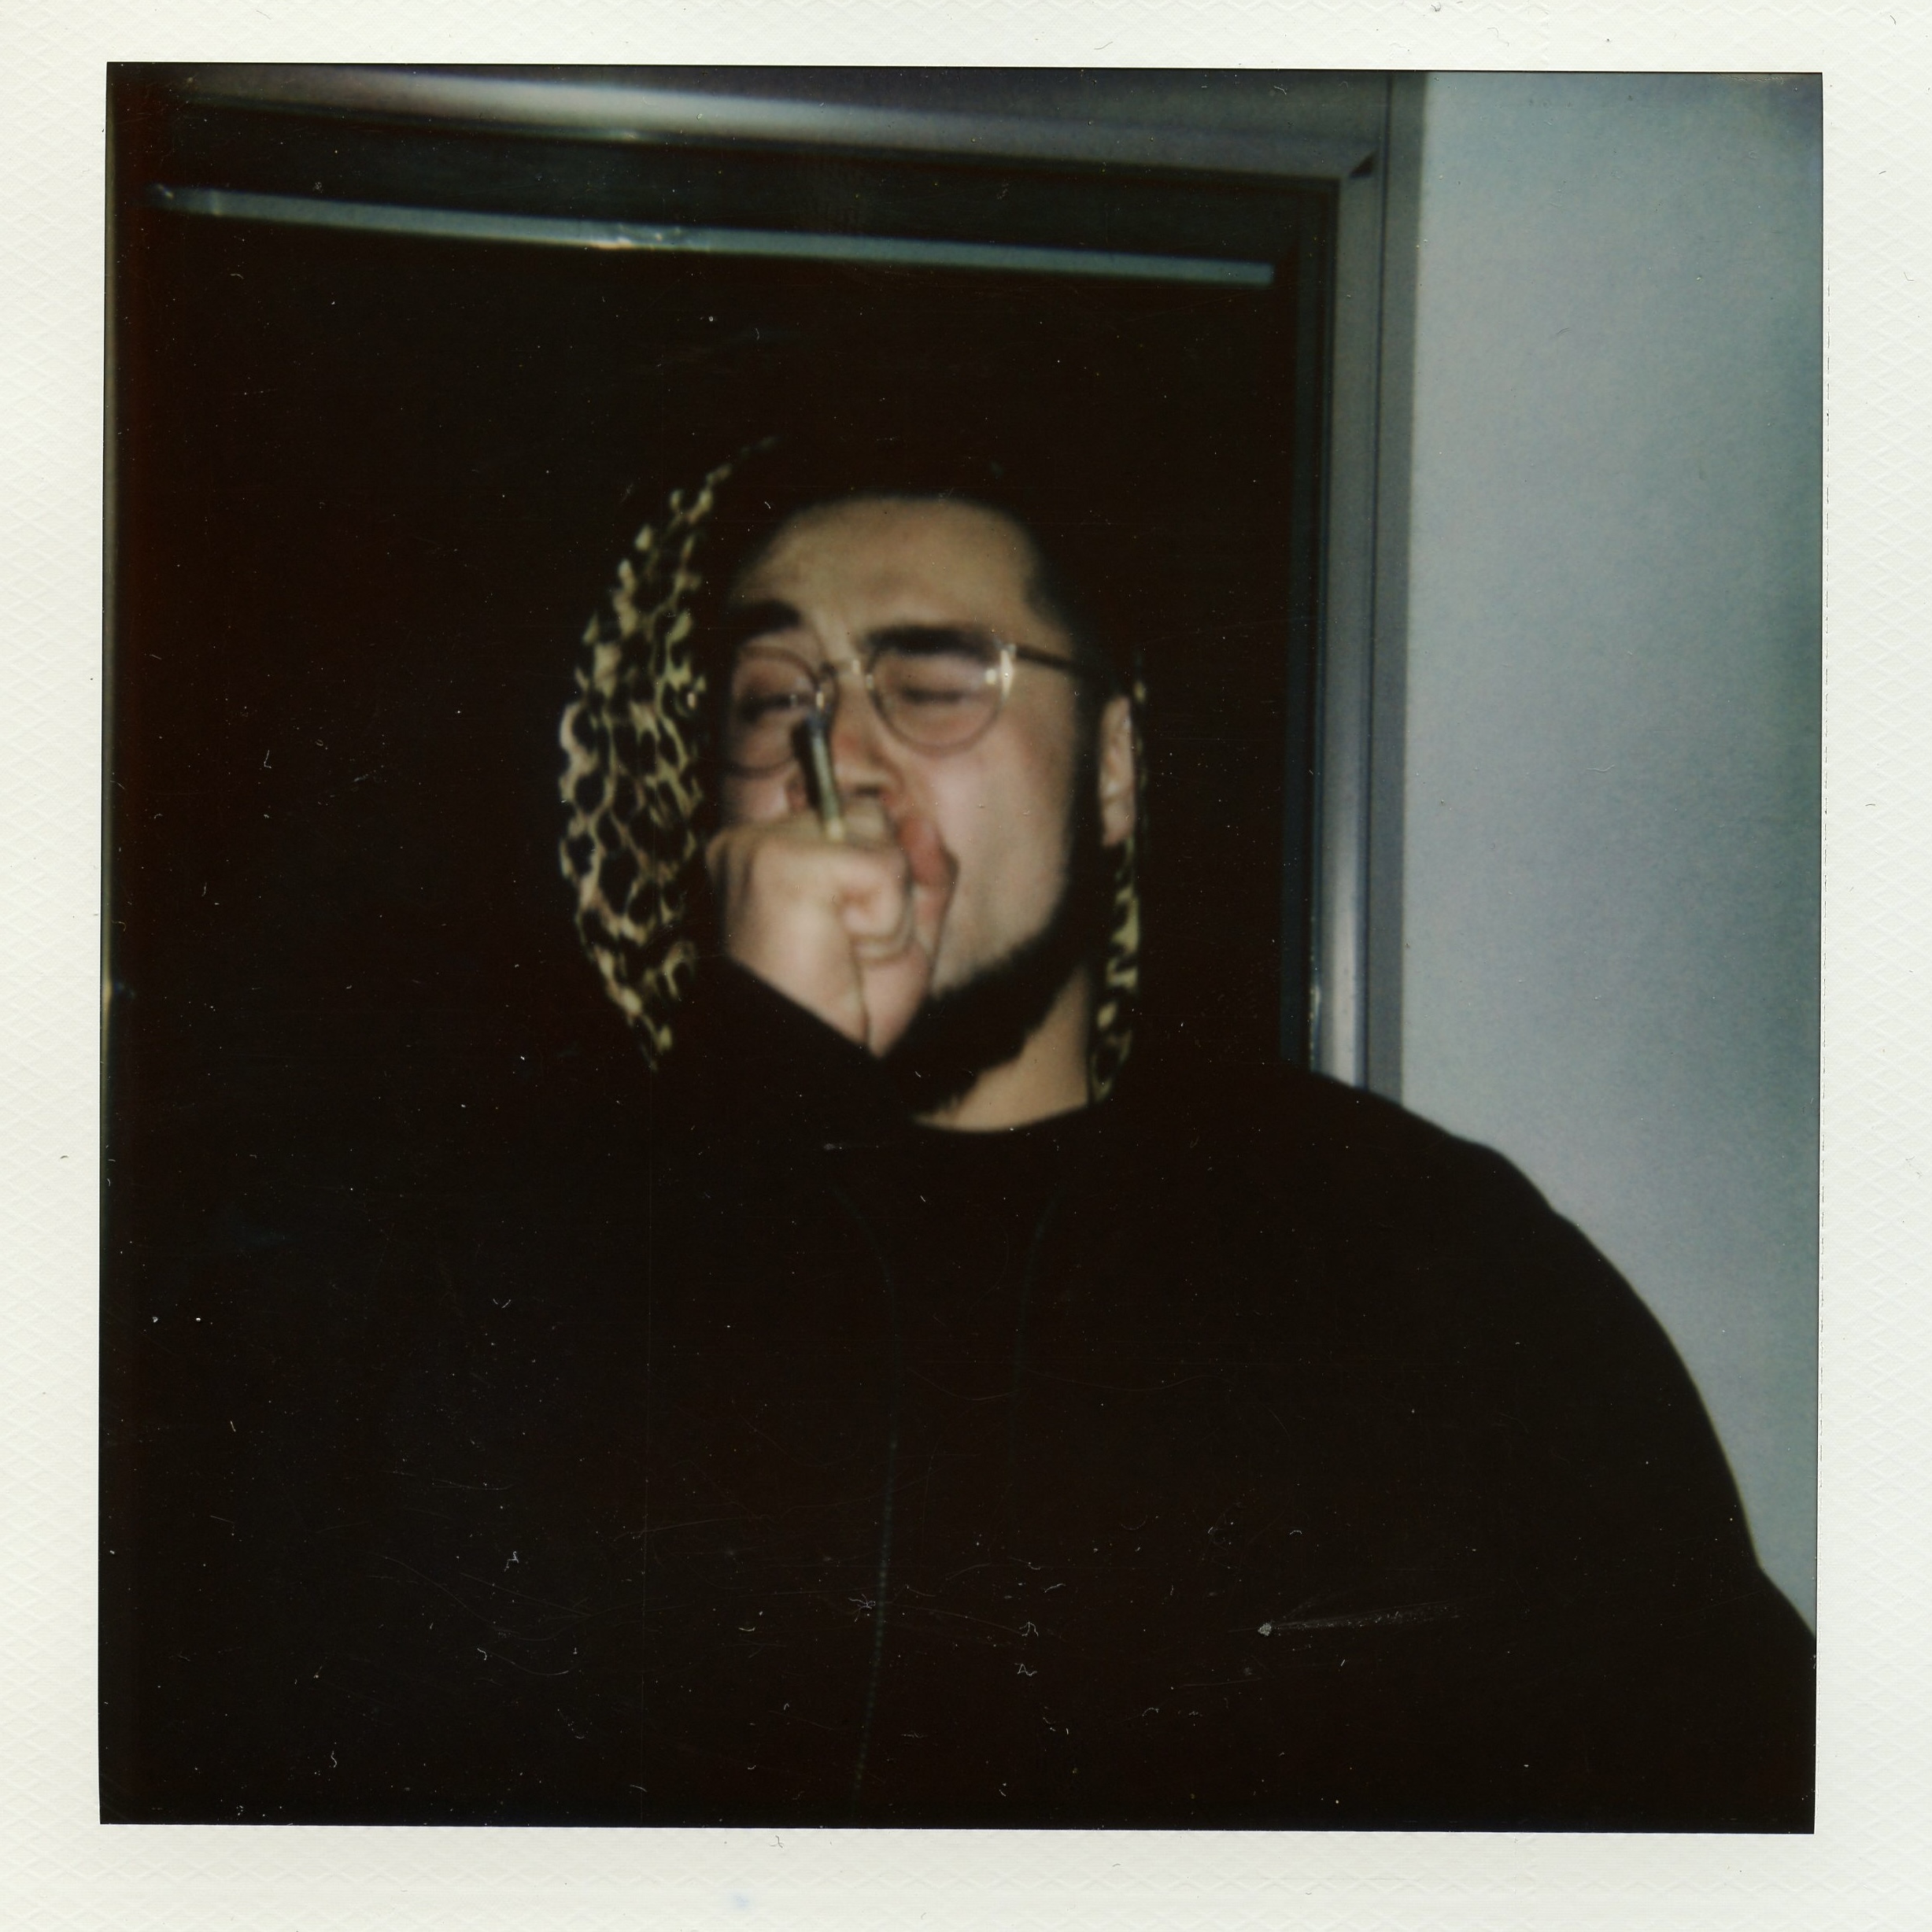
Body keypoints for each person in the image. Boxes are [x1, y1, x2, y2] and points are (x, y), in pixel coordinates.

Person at [120, 428, 1809, 1828]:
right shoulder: (526, 1242)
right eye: (767, 698)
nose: (835, 758)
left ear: (1117, 771)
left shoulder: (1404, 1246)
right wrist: (759, 1100)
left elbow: (1738, 1784)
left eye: (932, 681)